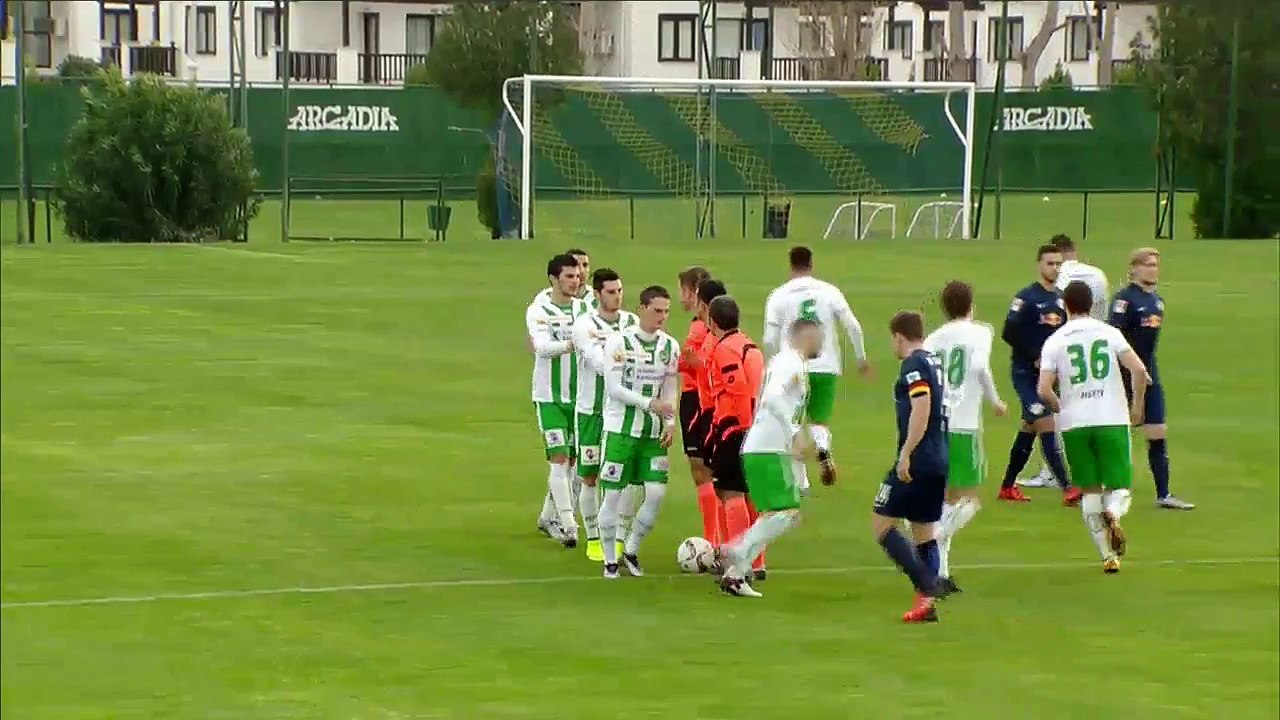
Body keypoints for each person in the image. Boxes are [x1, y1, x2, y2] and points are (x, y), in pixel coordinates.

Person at [1038, 281, 1152, 574]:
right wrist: (1137, 406)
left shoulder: (1055, 340)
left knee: (1089, 491)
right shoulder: (1109, 332)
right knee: (1120, 486)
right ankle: (1113, 513)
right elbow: (1138, 370)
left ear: (1066, 306)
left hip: (1075, 423)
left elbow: (1043, 389)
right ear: (1092, 304)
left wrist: (1061, 408)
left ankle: (1108, 556)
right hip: (1111, 417)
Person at [719, 318, 825, 599]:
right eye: (820, 336)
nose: (823, 342)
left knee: (783, 514)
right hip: (767, 448)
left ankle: (735, 577)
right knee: (785, 513)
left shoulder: (792, 363)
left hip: (771, 448)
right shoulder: (789, 363)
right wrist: (792, 433)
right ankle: (737, 550)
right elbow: (770, 398)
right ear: (807, 336)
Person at [763, 246, 872, 493]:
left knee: (792, 423)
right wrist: (861, 358)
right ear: (811, 265)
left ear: (791, 266)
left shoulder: (779, 295)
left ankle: (802, 484)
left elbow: (769, 337)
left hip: (792, 366)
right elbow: (853, 326)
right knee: (819, 420)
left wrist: (774, 364)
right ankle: (822, 447)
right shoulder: (829, 291)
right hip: (826, 365)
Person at [922, 281, 1007, 589]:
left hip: (936, 424)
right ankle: (932, 538)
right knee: (968, 501)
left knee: (947, 498)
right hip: (965, 425)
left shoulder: (933, 339)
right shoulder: (981, 332)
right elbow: (981, 367)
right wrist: (995, 400)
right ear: (971, 304)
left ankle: (941, 572)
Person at [872, 311, 955, 623]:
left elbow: (922, 406)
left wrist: (906, 453)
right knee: (923, 532)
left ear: (898, 336)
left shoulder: (914, 364)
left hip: (918, 459)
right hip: (939, 456)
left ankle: (928, 585)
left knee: (881, 525)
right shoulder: (935, 362)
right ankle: (926, 606)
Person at [597, 286, 681, 579]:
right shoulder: (618, 342)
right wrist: (649, 403)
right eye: (657, 310)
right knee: (613, 496)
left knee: (656, 493)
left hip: (653, 434)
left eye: (666, 311)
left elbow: (670, 387)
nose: (662, 316)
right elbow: (614, 388)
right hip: (621, 431)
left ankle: (631, 550)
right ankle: (609, 560)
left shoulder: (670, 346)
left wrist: (670, 423)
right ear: (642, 308)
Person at [1021, 234, 1110, 489]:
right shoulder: (1098, 275)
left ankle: (1051, 471)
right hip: (1094, 352)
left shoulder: (1061, 278)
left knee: (1055, 408)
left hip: (1064, 349)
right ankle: (1094, 467)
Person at [1109, 248, 1195, 510]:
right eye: (1148, 265)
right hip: (1123, 374)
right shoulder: (1124, 300)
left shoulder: (1157, 301)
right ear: (1134, 268)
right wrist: (1128, 369)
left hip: (1150, 372)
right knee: (1116, 433)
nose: (1153, 269)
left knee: (1157, 431)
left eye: (1156, 265)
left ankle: (1164, 494)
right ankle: (1106, 489)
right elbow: (1113, 338)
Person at [997, 244, 1082, 506]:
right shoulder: (1026, 298)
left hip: (1047, 376)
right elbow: (1008, 332)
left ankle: (1008, 486)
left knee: (1028, 428)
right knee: (1045, 423)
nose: (1055, 268)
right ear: (1039, 265)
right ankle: (1068, 487)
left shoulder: (1060, 300)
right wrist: (1034, 354)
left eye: (1058, 264)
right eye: (1050, 263)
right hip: (1025, 373)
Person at [571, 269, 640, 562]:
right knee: (589, 477)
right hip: (591, 411)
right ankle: (594, 538)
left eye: (620, 290)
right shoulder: (584, 325)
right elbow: (598, 362)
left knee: (624, 479)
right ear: (597, 294)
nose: (617, 296)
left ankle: (619, 538)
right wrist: (621, 360)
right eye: (611, 292)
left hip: (622, 414)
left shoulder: (632, 323)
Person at [526, 254, 591, 547]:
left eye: (577, 276)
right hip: (549, 396)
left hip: (580, 398)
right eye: (569, 276)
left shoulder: (584, 309)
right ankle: (568, 524)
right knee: (559, 458)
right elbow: (541, 347)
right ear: (553, 279)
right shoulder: (539, 310)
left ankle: (547, 516)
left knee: (575, 461)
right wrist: (572, 344)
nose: (575, 281)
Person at [705, 296, 768, 581]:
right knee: (750, 495)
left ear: (712, 321)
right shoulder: (750, 346)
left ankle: (738, 565)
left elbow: (738, 390)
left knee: (731, 494)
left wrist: (737, 431)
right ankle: (757, 562)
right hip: (758, 429)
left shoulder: (726, 349)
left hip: (736, 430)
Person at [676, 266, 722, 545]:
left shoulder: (700, 328)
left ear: (694, 292)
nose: (681, 297)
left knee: (702, 469)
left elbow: (688, 362)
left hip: (698, 400)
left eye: (682, 290)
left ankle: (713, 538)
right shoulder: (707, 324)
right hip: (705, 400)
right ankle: (716, 537)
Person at [692, 278, 730, 544]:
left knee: (730, 489)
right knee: (725, 487)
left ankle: (729, 550)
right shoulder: (719, 341)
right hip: (716, 417)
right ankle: (724, 547)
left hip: (723, 420)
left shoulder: (720, 345)